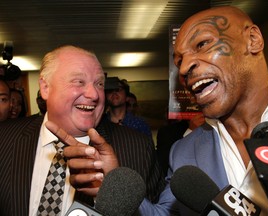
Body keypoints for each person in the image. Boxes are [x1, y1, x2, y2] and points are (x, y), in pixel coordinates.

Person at [54, 6, 268, 215]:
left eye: (202, 44)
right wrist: (112, 184)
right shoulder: (185, 152)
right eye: (179, 62)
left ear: (253, 39)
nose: (184, 68)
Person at [0, 45, 165, 216]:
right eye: (79, 81)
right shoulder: (4, 138)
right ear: (45, 87)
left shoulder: (137, 148)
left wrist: (116, 194)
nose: (94, 94)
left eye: (99, 84)